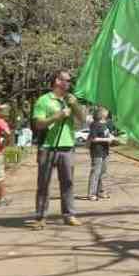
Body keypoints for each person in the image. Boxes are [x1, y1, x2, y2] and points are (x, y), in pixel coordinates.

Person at [32, 70, 86, 229]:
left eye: (70, 81)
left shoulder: (70, 100)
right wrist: (58, 116)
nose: (69, 83)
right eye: (67, 80)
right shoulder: (43, 101)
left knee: (68, 183)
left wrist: (75, 104)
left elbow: (82, 120)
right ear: (57, 81)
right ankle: (40, 217)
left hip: (67, 147)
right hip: (47, 147)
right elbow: (38, 124)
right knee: (43, 184)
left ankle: (69, 215)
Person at [87, 107, 115, 201]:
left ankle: (101, 192)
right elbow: (93, 138)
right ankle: (91, 194)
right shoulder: (95, 124)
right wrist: (107, 139)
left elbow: (108, 134)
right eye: (105, 110)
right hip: (97, 151)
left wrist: (113, 138)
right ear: (101, 113)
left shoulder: (106, 124)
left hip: (105, 151)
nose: (107, 111)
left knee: (103, 172)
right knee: (95, 172)